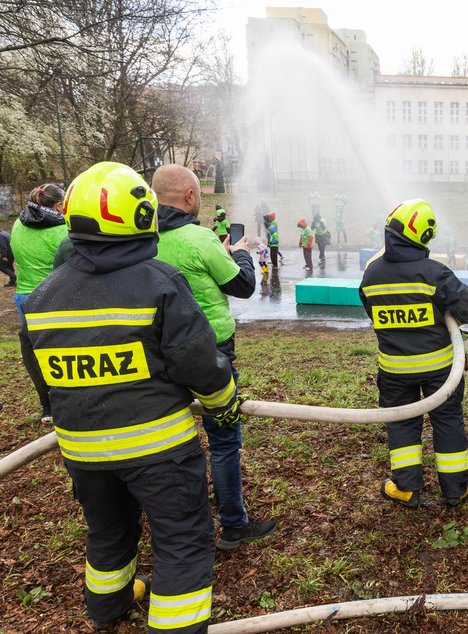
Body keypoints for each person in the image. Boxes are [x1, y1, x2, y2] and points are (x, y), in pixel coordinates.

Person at [20, 161, 243, 631]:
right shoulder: (157, 282)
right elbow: (196, 361)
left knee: (108, 532)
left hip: (83, 451)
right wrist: (224, 403)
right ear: (141, 214)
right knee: (181, 539)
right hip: (157, 450)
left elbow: (43, 378)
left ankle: (107, 608)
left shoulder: (42, 297)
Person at [151, 164, 275, 551]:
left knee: (169, 440)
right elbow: (242, 286)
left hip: (156, 354)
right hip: (210, 354)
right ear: (190, 196)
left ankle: (178, 526)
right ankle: (234, 525)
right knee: (223, 440)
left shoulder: (141, 238)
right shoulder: (199, 238)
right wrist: (239, 255)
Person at [359, 199, 468, 508]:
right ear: (424, 236)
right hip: (441, 370)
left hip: (394, 371)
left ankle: (406, 488)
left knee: (401, 423)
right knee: (448, 421)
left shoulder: (371, 275)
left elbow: (374, 314)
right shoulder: (434, 273)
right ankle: (455, 489)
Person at [11, 183, 69, 424]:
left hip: (24, 297)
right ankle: (67, 402)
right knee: (63, 353)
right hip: (53, 296)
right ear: (58, 205)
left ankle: (47, 407)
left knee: (35, 354)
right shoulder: (61, 231)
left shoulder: (17, 224)